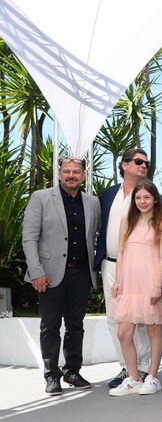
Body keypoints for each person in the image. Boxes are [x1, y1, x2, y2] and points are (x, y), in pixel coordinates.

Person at [22, 157, 101, 395]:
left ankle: (72, 371)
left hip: (81, 273)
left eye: (76, 171)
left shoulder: (93, 202)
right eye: (67, 171)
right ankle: (51, 375)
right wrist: (36, 272)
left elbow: (96, 237)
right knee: (50, 326)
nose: (71, 175)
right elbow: (29, 237)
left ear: (83, 176)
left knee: (76, 325)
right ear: (59, 174)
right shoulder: (41, 198)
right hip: (49, 274)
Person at [109, 181, 162, 396]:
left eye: (147, 197)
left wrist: (158, 285)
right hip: (129, 285)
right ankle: (134, 377)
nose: (142, 202)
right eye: (138, 198)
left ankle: (153, 377)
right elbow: (120, 252)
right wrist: (118, 281)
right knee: (123, 333)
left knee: (153, 329)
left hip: (150, 284)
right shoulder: (127, 220)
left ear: (155, 199)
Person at [96, 148, 153, 388]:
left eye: (146, 163)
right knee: (113, 318)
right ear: (124, 165)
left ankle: (144, 367)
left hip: (137, 266)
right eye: (138, 162)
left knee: (139, 318)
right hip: (109, 264)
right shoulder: (108, 194)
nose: (143, 166)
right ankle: (126, 367)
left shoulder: (147, 194)